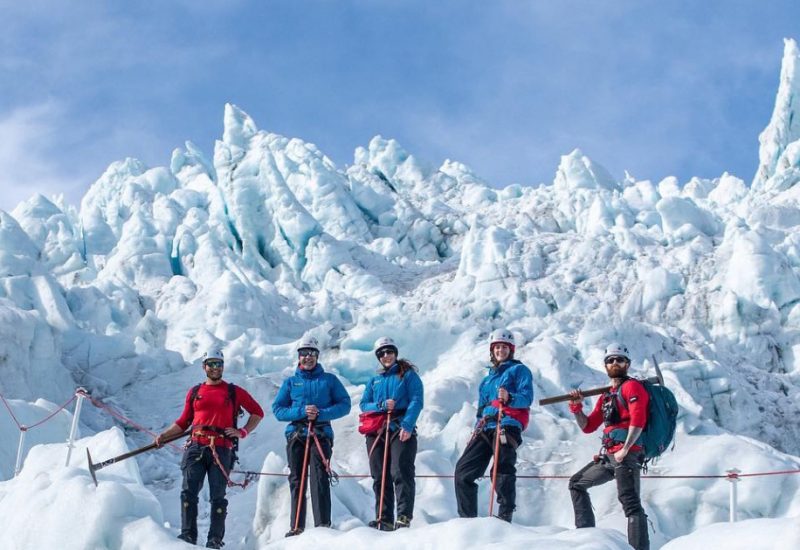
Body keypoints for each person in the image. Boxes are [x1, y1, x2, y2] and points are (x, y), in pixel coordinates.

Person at [156, 347, 264, 549]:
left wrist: (242, 432)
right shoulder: (195, 392)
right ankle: (188, 536)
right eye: (212, 364)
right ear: (204, 367)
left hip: (221, 448)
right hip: (196, 446)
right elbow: (184, 421)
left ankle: (214, 540)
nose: (215, 368)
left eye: (219, 364)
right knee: (188, 492)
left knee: (218, 496)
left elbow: (257, 412)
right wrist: (164, 436)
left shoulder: (233, 391)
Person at [567, 342, 650, 550]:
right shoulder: (607, 395)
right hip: (611, 455)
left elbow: (638, 419)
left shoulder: (632, 387)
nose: (615, 363)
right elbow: (588, 426)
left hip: (626, 453)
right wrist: (577, 408)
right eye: (610, 360)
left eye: (619, 359)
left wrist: (625, 449)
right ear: (606, 365)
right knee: (577, 483)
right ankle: (588, 540)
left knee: (630, 503)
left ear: (627, 364)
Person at [272, 336, 351, 537]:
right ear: (299, 357)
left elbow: (345, 404)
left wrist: (321, 414)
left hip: (320, 434)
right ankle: (296, 526)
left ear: (317, 356)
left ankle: (323, 525)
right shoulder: (291, 382)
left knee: (319, 477)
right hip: (297, 434)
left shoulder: (329, 380)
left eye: (312, 354)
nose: (308, 357)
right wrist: (301, 412)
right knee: (296, 479)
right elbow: (278, 410)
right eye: (304, 354)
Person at [454, 329, 533, 522]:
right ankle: (467, 519)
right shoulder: (486, 380)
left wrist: (510, 397)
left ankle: (505, 515)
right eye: (497, 347)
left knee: (501, 468)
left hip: (507, 422)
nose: (500, 350)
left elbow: (527, 398)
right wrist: (476, 428)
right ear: (492, 350)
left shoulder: (519, 370)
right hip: (485, 426)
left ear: (511, 349)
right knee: (463, 472)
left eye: (504, 347)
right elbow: (481, 408)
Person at [359, 336, 424, 530]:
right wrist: (380, 405)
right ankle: (384, 517)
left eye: (389, 351)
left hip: (400, 426)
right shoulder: (375, 380)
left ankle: (403, 516)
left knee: (400, 471)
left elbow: (416, 400)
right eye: (382, 353)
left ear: (395, 353)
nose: (386, 355)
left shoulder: (408, 375)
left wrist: (408, 425)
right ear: (379, 357)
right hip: (378, 429)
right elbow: (364, 404)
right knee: (380, 475)